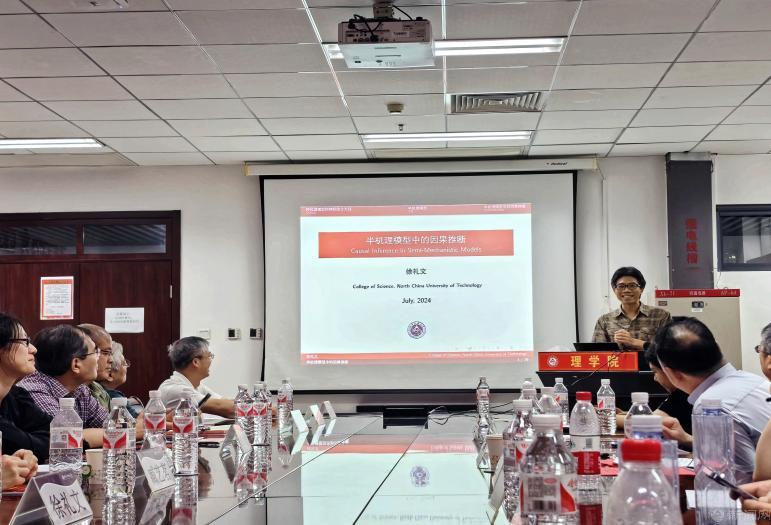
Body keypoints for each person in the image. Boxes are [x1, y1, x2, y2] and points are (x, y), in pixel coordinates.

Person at [652, 317, 771, 483]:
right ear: (718, 347)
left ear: (671, 373)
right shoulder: (753, 380)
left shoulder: (710, 406)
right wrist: (688, 440)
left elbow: (736, 486)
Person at [19, 324, 144, 448]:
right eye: (96, 352)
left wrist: (135, 426)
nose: (98, 358)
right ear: (76, 365)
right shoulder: (34, 390)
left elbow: (110, 424)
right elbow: (66, 438)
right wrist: (130, 432)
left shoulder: (81, 390)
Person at [0, 312, 43, 482]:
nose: (33, 349)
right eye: (25, 341)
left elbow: (56, 436)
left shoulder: (16, 395)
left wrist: (23, 455)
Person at [592, 266, 672, 350]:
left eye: (632, 285)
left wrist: (634, 342)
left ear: (641, 289)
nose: (627, 290)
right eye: (621, 286)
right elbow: (596, 352)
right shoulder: (604, 320)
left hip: (648, 359)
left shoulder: (661, 316)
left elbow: (669, 350)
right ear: (614, 290)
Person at [158, 336, 235, 418]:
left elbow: (223, 401)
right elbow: (229, 409)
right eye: (209, 356)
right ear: (196, 362)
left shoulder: (197, 386)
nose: (211, 360)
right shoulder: (178, 390)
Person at [77, 324, 114, 411]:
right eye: (105, 353)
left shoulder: (98, 388)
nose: (111, 360)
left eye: (110, 353)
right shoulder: (67, 391)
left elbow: (109, 419)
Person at [100, 341, 140, 417]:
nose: (127, 366)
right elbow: (137, 419)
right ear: (110, 375)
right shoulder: (114, 397)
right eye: (124, 363)